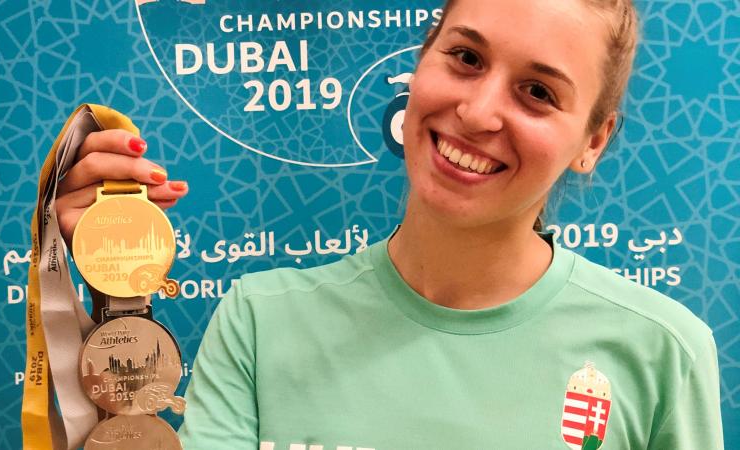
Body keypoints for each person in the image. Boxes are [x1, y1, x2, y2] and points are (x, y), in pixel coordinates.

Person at [56, 0, 724, 448]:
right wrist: (115, 300)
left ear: (594, 140)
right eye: (465, 57)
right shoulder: (260, 323)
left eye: (539, 92)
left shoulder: (664, 353)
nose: (479, 111)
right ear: (421, 62)